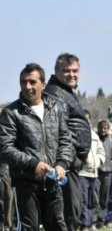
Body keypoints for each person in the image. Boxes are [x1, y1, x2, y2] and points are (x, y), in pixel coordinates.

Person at [0, 63, 73, 230]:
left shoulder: (56, 108)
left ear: (43, 85)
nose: (27, 86)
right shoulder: (12, 112)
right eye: (23, 82)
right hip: (25, 182)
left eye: (32, 82)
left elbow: (66, 140)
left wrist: (62, 163)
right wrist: (33, 164)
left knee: (58, 226)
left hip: (53, 182)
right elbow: (4, 148)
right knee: (28, 228)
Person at [44, 53, 92, 231]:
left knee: (72, 213)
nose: (72, 74)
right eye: (66, 71)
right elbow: (59, 132)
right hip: (64, 167)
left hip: (71, 164)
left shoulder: (65, 91)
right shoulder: (56, 93)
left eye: (75, 71)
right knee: (66, 217)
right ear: (56, 71)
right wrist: (67, 161)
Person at [79, 110, 105, 231]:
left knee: (92, 200)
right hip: (82, 173)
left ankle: (90, 224)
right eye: (84, 118)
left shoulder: (94, 135)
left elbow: (101, 150)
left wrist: (99, 161)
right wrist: (81, 162)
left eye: (88, 118)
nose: (86, 120)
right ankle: (84, 224)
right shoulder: (77, 132)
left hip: (94, 173)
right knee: (83, 200)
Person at [95, 119, 112, 229]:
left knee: (104, 197)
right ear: (98, 128)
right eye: (101, 128)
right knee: (95, 197)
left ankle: (101, 220)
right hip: (97, 172)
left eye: (105, 128)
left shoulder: (111, 142)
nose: (103, 130)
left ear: (108, 130)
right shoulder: (94, 140)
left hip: (108, 172)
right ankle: (93, 220)